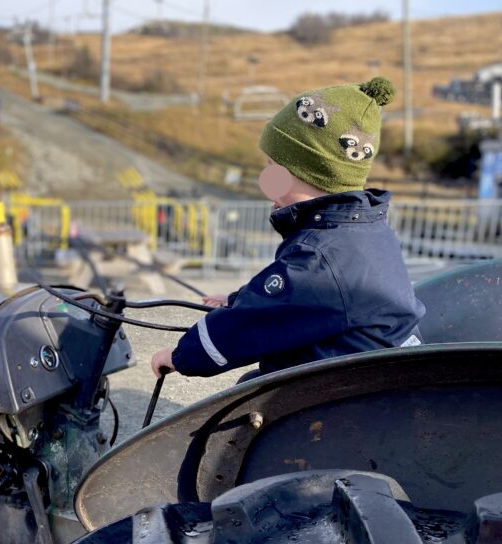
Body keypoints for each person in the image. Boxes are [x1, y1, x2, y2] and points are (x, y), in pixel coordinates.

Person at [151, 77, 425, 381]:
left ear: (310, 172)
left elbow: (251, 325)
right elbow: (293, 298)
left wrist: (180, 356)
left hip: (345, 398)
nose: (266, 178)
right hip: (374, 377)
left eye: (273, 167)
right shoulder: (365, 231)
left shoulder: (321, 256)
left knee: (245, 398)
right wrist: (237, 298)